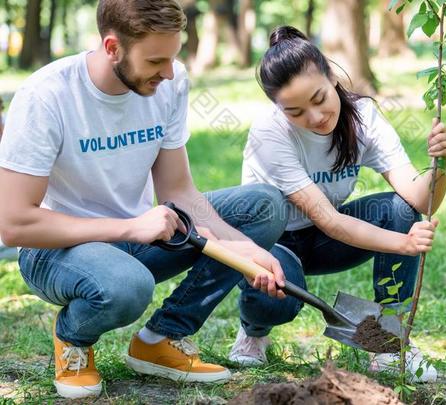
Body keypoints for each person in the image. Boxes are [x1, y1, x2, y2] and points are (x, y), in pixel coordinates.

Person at [0, 0, 288, 399]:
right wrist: (130, 227)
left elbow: (178, 191)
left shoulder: (169, 81)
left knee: (263, 205)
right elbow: (16, 224)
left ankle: (161, 339)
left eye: (172, 58)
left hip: (140, 236)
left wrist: (245, 247)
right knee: (127, 285)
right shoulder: (46, 96)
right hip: (53, 249)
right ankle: (72, 338)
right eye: (156, 61)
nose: (168, 73)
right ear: (113, 47)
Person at [229, 26, 446, 383]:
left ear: (332, 77)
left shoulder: (363, 117)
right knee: (277, 297)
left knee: (399, 211)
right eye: (295, 111)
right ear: (278, 108)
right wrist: (404, 244)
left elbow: (418, 197)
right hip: (273, 244)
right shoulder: (270, 134)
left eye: (319, 99)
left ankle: (389, 338)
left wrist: (442, 163)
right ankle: (254, 332)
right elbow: (331, 220)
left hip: (322, 240)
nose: (315, 117)